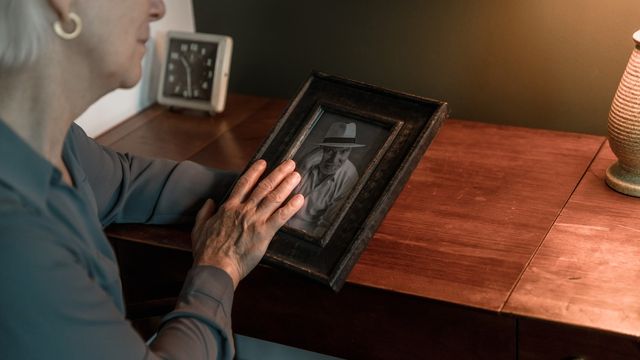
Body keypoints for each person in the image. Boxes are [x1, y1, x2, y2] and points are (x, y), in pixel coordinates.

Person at [0, 1, 304, 359]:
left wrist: (265, 191)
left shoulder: (47, 138)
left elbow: (126, 181)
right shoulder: (16, 241)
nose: (158, 9)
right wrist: (220, 265)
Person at [287, 121, 365, 238]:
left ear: (350, 152)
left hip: (306, 236)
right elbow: (279, 200)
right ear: (321, 149)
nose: (334, 159)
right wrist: (302, 168)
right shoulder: (305, 161)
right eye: (330, 150)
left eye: (343, 152)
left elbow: (326, 225)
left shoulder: (349, 177)